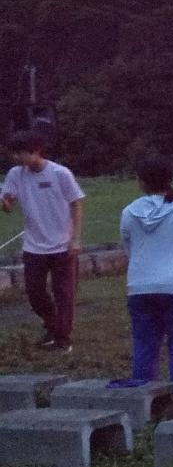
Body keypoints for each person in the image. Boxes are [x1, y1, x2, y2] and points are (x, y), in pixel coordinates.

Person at [118, 156, 173, 403]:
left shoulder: (128, 213)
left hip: (140, 286)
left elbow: (128, 249)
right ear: (171, 179)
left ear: (140, 182)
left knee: (144, 346)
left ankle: (144, 402)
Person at [1, 132, 85, 352]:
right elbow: (8, 200)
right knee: (34, 292)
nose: (18, 158)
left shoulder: (60, 173)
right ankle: (53, 325)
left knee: (64, 293)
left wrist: (75, 238)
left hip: (62, 244)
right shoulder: (16, 174)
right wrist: (7, 204)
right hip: (33, 245)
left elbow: (76, 204)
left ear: (36, 151)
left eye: (21, 153)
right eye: (15, 153)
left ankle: (63, 339)